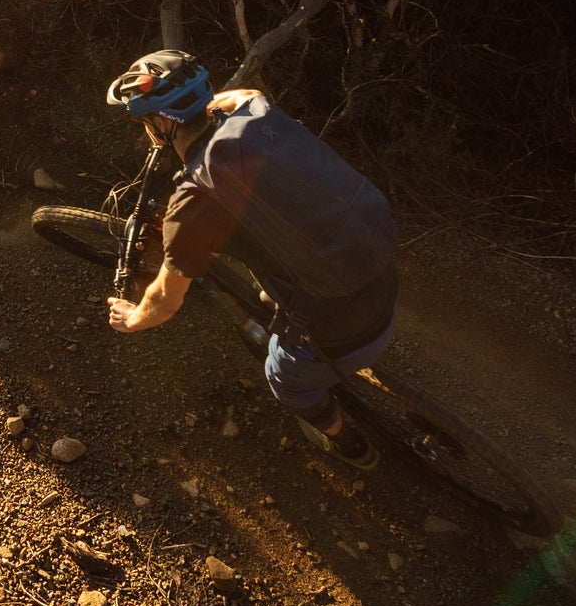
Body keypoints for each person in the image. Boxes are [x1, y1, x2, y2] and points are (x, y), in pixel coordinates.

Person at [102, 50, 398, 470]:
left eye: (144, 122)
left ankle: (351, 447)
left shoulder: (193, 204)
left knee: (285, 382)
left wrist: (132, 318)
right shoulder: (253, 109)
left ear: (161, 123)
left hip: (343, 330)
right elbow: (245, 93)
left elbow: (165, 302)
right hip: (382, 268)